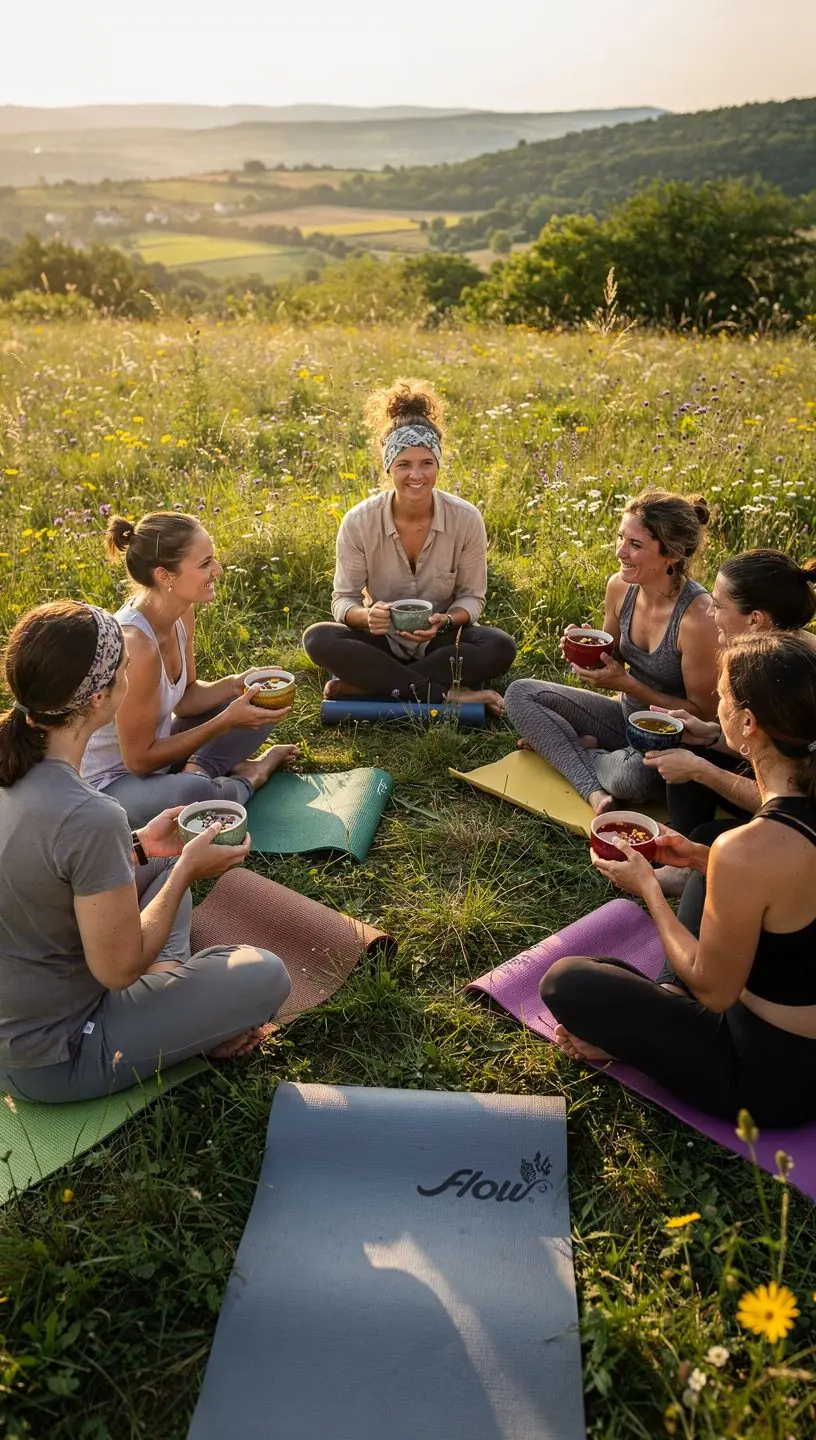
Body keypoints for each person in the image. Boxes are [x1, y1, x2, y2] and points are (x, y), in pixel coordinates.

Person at [0, 602, 291, 1104]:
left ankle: (168, 1003)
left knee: (159, 858)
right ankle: (177, 1015)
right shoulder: (89, 815)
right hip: (53, 1055)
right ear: (99, 698)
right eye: (124, 670)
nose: (130, 677)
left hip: (30, 1001)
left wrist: (138, 847)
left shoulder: (24, 774)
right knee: (264, 974)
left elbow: (39, 870)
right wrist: (186, 871)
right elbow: (118, 970)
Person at [541, 632, 816, 1127]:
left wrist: (649, 888)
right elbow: (790, 893)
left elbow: (714, 993)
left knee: (567, 982)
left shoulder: (751, 850)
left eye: (723, 697)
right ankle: (664, 1004)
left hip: (770, 1076)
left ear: (748, 724)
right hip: (793, 1032)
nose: (716, 704)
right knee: (709, 854)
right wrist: (698, 860)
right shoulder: (784, 828)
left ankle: (648, 1022)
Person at [302, 378, 517, 716]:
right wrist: (366, 617)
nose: (416, 475)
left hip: (439, 642)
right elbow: (343, 599)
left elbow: (472, 598)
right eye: (404, 464)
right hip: (380, 641)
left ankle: (373, 685)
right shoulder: (359, 521)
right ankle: (450, 695)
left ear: (438, 464)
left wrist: (445, 621)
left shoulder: (465, 518)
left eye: (426, 463)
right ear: (389, 467)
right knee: (318, 638)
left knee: (500, 646)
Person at [505, 489, 719, 813]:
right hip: (623, 716)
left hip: (669, 740)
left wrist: (630, 685)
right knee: (520, 694)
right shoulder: (619, 587)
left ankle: (571, 750)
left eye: (635, 545)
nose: (620, 551)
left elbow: (703, 716)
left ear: (672, 555)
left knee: (630, 780)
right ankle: (592, 784)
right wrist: (588, 653)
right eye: (620, 537)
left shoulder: (697, 617)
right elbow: (613, 656)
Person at [82, 511, 298, 828]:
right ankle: (250, 776)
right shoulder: (136, 646)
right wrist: (225, 721)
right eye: (205, 564)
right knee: (192, 793)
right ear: (165, 576)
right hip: (111, 785)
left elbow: (185, 700)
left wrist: (236, 685)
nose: (217, 570)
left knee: (259, 699)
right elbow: (138, 761)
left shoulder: (182, 613)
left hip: (157, 755)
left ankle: (198, 771)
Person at [644, 549, 816, 834]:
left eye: (718, 605)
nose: (709, 613)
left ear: (755, 619)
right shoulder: (758, 659)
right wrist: (711, 736)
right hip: (782, 785)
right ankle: (685, 840)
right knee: (693, 747)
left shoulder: (799, 677)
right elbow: (769, 749)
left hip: (804, 812)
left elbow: (799, 801)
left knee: (706, 833)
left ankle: (694, 848)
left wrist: (703, 771)